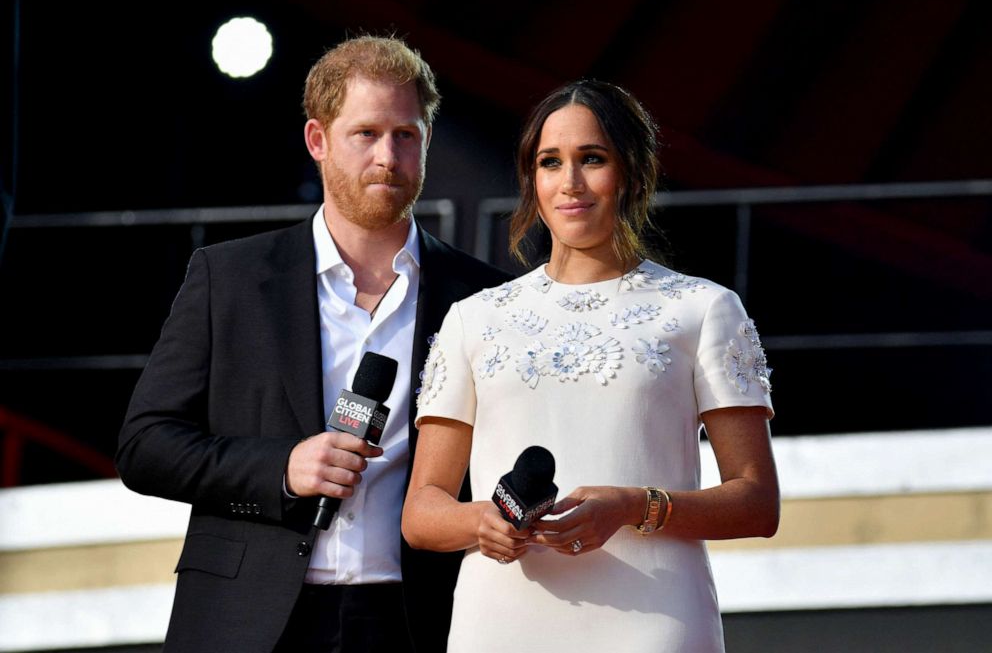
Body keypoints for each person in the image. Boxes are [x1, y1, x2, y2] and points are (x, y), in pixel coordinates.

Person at [116, 35, 507, 653]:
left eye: (407, 134)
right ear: (318, 141)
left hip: (416, 619)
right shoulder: (231, 278)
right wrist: (283, 467)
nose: (388, 156)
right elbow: (144, 446)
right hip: (249, 619)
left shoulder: (484, 297)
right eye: (366, 133)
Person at [402, 79, 780, 652]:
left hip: (654, 619)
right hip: (500, 622)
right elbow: (422, 512)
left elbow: (756, 502)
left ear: (628, 172)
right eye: (551, 162)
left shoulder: (703, 309)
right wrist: (483, 523)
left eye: (593, 159)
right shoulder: (473, 320)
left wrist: (634, 506)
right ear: (532, 179)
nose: (570, 183)